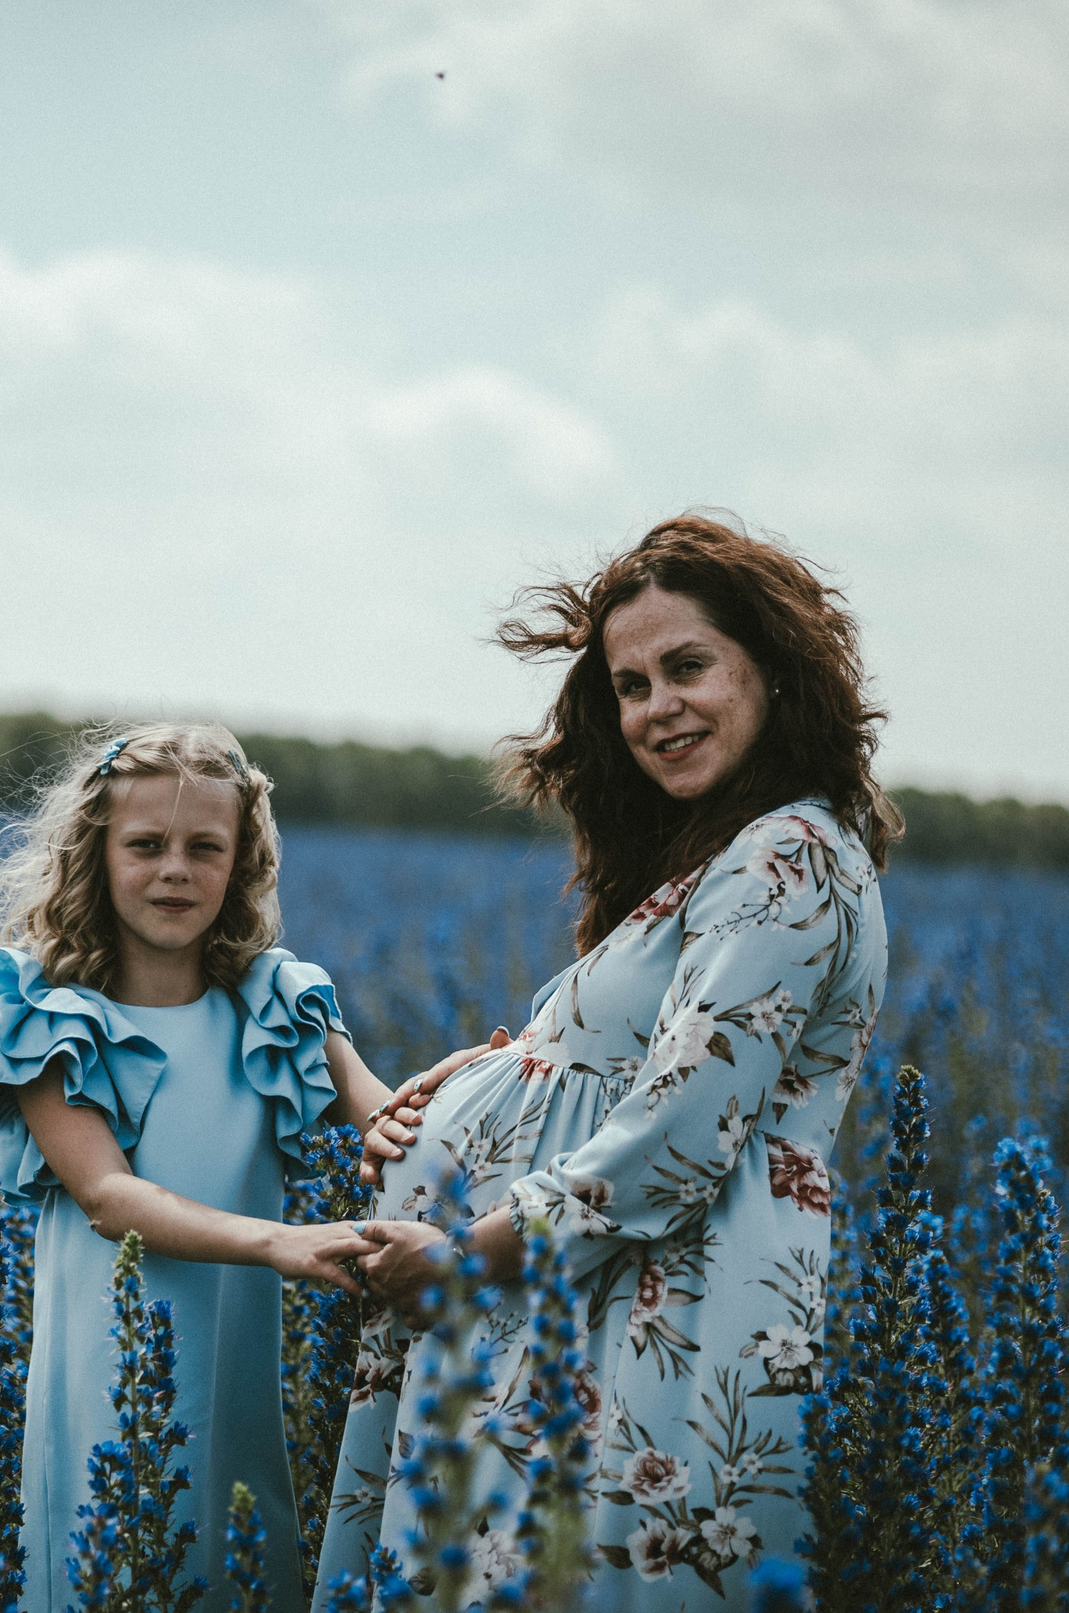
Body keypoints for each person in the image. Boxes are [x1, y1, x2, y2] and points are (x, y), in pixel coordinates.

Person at [320, 513, 897, 1610]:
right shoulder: (732, 850)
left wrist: (458, 1262)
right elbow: (636, 1060)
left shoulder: (790, 852)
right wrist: (507, 1065)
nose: (656, 708)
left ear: (771, 672)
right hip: (571, 1316)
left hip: (648, 1329)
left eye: (688, 668)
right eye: (630, 686)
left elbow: (676, 1139)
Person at [0, 725, 487, 1611]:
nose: (174, 869)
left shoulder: (279, 1001)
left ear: (242, 861)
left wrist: (481, 1082)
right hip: (107, 1371)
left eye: (204, 847)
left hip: (239, 1364)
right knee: (112, 1563)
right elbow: (108, 1196)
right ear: (94, 855)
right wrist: (280, 1241)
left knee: (234, 1552)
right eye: (145, 845)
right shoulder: (46, 1019)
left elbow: (385, 1115)